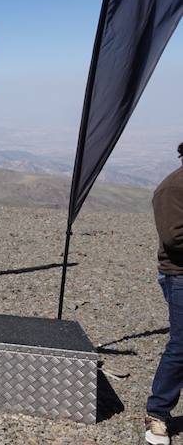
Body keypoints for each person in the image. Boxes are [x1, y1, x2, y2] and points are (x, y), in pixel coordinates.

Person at [145, 142, 183, 445]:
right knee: (181, 346)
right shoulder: (172, 188)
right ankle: (157, 414)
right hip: (179, 277)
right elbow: (174, 239)